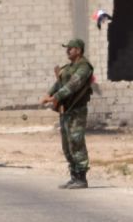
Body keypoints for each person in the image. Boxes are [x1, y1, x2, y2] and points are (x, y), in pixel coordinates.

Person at [41, 38, 95, 189]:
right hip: (65, 110)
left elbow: (73, 85)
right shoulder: (68, 68)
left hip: (77, 110)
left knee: (76, 142)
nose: (67, 51)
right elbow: (58, 83)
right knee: (67, 145)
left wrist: (54, 97)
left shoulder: (84, 67)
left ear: (78, 50)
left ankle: (82, 178)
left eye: (70, 48)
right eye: (67, 48)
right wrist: (48, 94)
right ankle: (74, 175)